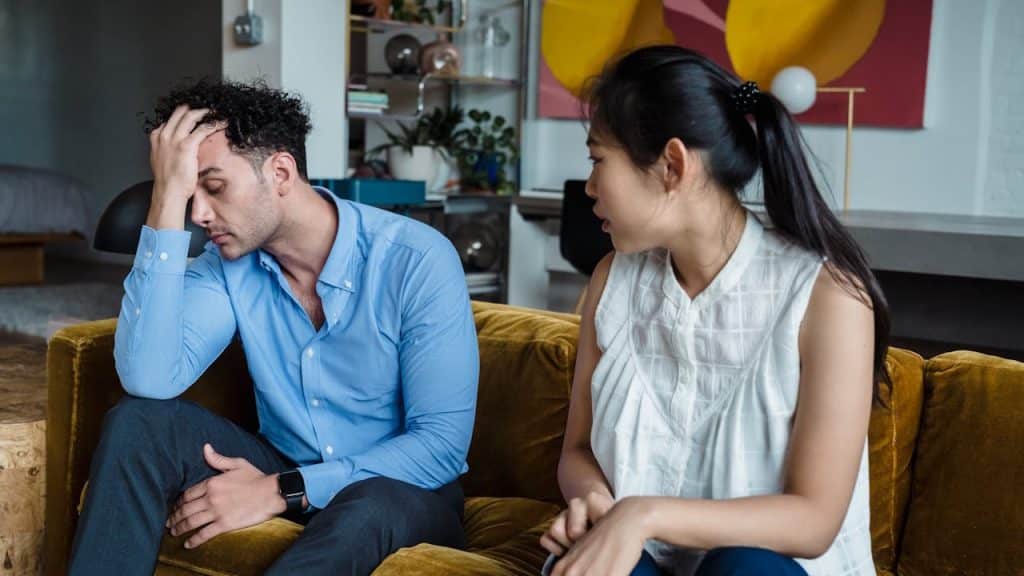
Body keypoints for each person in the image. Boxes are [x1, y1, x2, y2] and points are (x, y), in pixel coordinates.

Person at [69, 79, 479, 575]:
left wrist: (281, 490)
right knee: (140, 422)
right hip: (281, 461)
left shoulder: (415, 259)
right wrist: (165, 198)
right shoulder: (225, 265)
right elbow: (149, 378)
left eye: (214, 187)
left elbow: (440, 447)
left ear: (280, 172)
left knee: (370, 505)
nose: (199, 214)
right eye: (189, 193)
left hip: (402, 492)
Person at [540, 46, 890, 576]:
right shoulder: (613, 278)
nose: (589, 187)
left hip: (770, 570)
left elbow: (814, 521)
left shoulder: (829, 295)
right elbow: (578, 451)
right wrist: (596, 505)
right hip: (646, 560)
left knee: (745, 566)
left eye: (598, 161)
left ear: (672, 165)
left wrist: (642, 515)